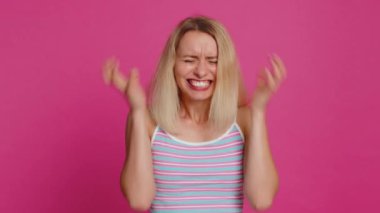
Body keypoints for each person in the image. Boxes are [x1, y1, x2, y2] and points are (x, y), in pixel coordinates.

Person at [103, 16, 286, 213]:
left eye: (213, 61)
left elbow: (261, 199)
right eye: (189, 60)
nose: (200, 71)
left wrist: (258, 111)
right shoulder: (147, 121)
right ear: (172, 65)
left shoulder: (244, 121)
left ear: (226, 67)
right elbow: (139, 199)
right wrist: (138, 110)